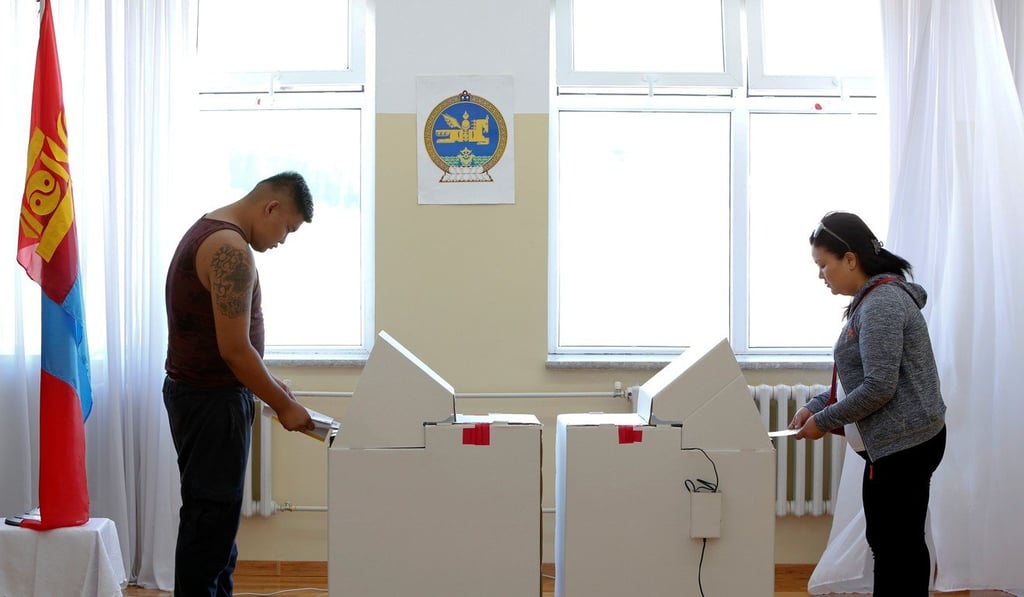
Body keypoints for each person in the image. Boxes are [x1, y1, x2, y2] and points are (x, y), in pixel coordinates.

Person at [163, 171, 315, 596]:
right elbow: (233, 349)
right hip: (212, 403)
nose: (283, 240)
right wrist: (283, 406)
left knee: (215, 527)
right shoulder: (230, 249)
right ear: (271, 207)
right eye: (287, 228)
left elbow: (221, 343)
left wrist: (270, 385)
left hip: (203, 397)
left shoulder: (209, 229)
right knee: (209, 528)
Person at [789, 211, 946, 597]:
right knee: (893, 543)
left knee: (896, 547)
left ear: (850, 259)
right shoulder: (871, 302)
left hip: (905, 445)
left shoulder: (882, 304)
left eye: (823, 265)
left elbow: (878, 388)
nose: (821, 275)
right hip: (897, 444)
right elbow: (857, 379)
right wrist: (816, 406)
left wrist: (824, 421)